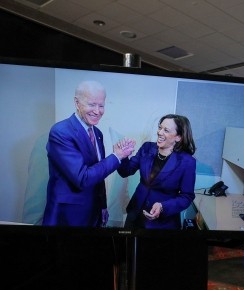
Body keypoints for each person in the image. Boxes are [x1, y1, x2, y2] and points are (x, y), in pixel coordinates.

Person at [43, 80, 135, 227]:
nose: (97, 111)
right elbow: (83, 178)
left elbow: (98, 175)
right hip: (67, 217)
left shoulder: (97, 133)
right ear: (77, 102)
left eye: (101, 105)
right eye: (92, 104)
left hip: (93, 214)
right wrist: (116, 156)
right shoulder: (60, 132)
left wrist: (103, 206)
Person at [117, 114, 196, 229]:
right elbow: (125, 171)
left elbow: (187, 196)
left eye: (166, 130)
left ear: (178, 137)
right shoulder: (147, 148)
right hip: (135, 215)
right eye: (160, 127)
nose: (159, 132)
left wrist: (163, 207)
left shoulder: (187, 162)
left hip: (162, 224)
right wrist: (122, 156)